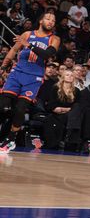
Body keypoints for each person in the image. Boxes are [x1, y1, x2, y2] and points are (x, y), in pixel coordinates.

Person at [0, 10, 61, 152]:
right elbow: (13, 50)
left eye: (53, 20)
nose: (51, 21)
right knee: (3, 104)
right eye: (48, 18)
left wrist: (28, 45)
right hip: (17, 73)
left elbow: (47, 55)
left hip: (34, 77)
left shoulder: (54, 39)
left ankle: (11, 139)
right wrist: (3, 66)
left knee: (20, 109)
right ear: (41, 21)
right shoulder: (27, 34)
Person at [42, 68, 80, 149]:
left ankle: (68, 140)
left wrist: (65, 109)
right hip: (56, 113)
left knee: (76, 112)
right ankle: (61, 141)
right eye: (67, 75)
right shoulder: (55, 88)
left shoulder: (77, 91)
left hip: (70, 115)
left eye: (72, 75)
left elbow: (77, 106)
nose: (70, 77)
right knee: (52, 120)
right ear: (63, 77)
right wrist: (64, 109)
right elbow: (51, 104)